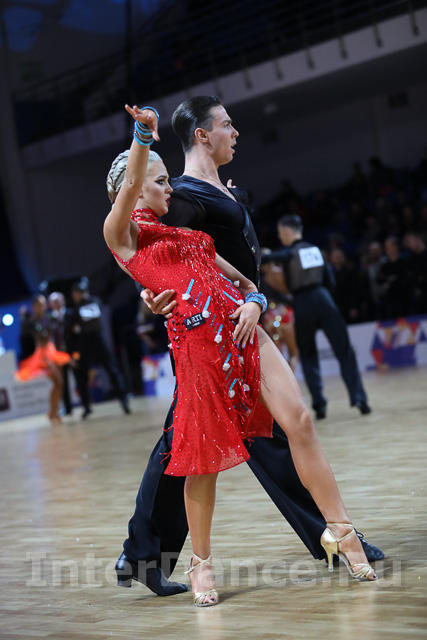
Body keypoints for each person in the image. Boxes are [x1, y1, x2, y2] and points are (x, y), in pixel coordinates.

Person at [104, 103, 378, 607]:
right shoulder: (138, 222)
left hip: (241, 327)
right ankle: (176, 558)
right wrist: (142, 135)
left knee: (294, 423)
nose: (168, 189)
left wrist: (255, 300)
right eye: (159, 182)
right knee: (195, 455)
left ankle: (341, 531)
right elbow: (134, 216)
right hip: (198, 345)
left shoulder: (193, 224)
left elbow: (241, 278)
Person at [262, 215, 371, 420]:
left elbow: (266, 259)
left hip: (302, 304)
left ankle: (319, 406)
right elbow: (330, 282)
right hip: (324, 300)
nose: (279, 236)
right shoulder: (317, 250)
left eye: (280, 232)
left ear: (287, 232)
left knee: (308, 355)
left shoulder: (287, 253)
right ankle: (360, 399)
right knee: (345, 351)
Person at [64, 280, 130, 419]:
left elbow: (84, 323)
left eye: (75, 294)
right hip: (91, 344)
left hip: (95, 343)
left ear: (78, 293)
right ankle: (89, 406)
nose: (74, 297)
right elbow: (72, 331)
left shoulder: (88, 304)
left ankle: (123, 400)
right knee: (85, 374)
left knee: (111, 371)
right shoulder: (90, 303)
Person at [17, 294, 71, 425]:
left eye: (44, 304)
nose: (43, 306)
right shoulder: (32, 321)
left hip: (52, 350)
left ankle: (54, 411)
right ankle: (53, 412)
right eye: (40, 304)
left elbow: (60, 322)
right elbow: (27, 332)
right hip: (43, 353)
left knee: (59, 383)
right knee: (58, 381)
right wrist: (23, 317)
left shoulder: (49, 317)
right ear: (34, 306)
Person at [48, 292, 73, 416]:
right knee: (62, 381)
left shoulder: (70, 313)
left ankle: (87, 406)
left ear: (63, 301)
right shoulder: (50, 318)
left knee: (80, 377)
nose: (57, 303)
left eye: (58, 300)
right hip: (58, 355)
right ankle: (67, 408)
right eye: (54, 302)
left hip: (71, 352)